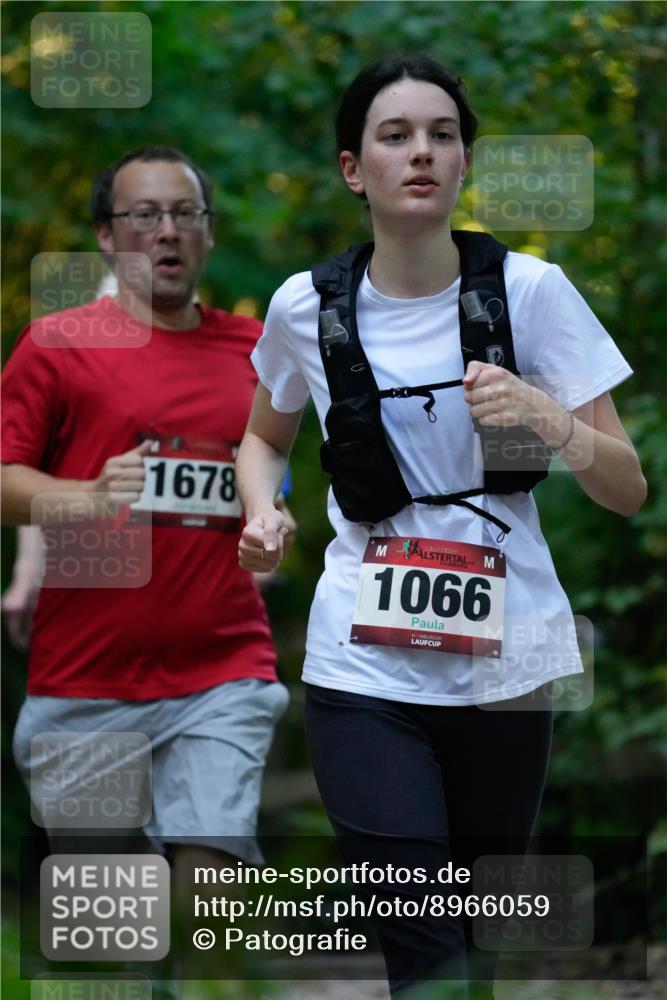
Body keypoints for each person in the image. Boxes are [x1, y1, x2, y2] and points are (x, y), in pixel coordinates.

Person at [236, 55, 646, 998]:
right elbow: (260, 440)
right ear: (354, 169)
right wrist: (264, 507)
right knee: (421, 933)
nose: (420, 152)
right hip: (360, 659)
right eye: (394, 135)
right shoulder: (307, 306)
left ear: (464, 162)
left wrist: (546, 420)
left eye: (441, 135)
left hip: (512, 657)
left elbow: (626, 489)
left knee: (472, 946)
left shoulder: (532, 292)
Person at [2, 146, 291, 904]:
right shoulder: (57, 345)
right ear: (106, 235)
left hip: (221, 673)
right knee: (113, 941)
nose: (168, 232)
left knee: (206, 917)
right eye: (145, 216)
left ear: (208, 232)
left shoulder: (256, 355)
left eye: (185, 214)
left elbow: (269, 477)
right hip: (85, 681)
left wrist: (268, 517)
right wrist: (85, 497)